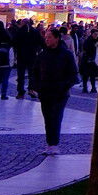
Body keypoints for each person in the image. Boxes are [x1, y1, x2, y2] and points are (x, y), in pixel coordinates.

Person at [32, 27, 79, 155]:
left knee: (56, 117)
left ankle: (54, 144)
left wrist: (64, 86)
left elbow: (74, 75)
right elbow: (35, 71)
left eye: (49, 37)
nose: (47, 40)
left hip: (60, 93)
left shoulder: (66, 55)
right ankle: (50, 144)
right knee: (48, 118)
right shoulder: (43, 55)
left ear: (57, 38)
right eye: (46, 38)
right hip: (45, 92)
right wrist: (35, 87)